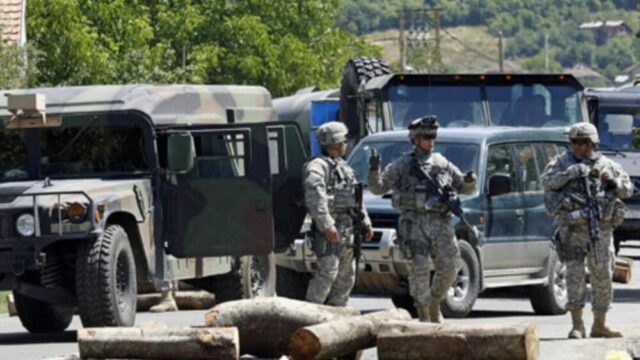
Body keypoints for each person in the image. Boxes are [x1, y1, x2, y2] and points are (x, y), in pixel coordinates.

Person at [367, 116, 476, 322]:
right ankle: (424, 312)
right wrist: (374, 170)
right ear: (415, 139)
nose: (431, 140)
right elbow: (378, 187)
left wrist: (470, 180)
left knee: (450, 266)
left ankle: (435, 301)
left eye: (433, 136)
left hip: (441, 224)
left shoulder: (441, 162)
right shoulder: (403, 164)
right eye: (426, 136)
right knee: (419, 271)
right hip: (414, 223)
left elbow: (464, 186)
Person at [541, 123, 632, 339]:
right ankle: (577, 325)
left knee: (603, 275)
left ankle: (599, 324)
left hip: (600, 229)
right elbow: (546, 183)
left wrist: (614, 183)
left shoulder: (607, 165)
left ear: (592, 143)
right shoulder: (561, 163)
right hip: (571, 229)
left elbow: (628, 189)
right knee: (574, 274)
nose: (576, 146)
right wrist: (569, 174)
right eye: (573, 142)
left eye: (581, 142)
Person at [304, 121, 373, 306]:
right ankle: (309, 316)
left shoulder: (344, 167)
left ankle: (336, 317)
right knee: (326, 275)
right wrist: (326, 224)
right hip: (330, 233)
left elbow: (356, 199)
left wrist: (365, 222)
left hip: (348, 231)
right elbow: (315, 197)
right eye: (343, 140)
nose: (346, 144)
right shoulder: (318, 167)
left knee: (346, 278)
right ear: (334, 142)